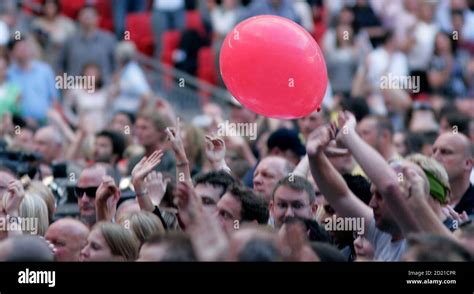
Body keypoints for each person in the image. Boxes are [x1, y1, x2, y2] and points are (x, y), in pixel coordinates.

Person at [58, 4, 116, 82]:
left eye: (91, 15)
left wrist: (113, 88)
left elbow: (116, 67)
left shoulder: (109, 40)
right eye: (84, 14)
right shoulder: (70, 41)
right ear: (79, 18)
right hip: (74, 89)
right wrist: (64, 88)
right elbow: (60, 66)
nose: (87, 17)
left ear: (98, 18)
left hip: (104, 90)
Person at [7, 37, 58, 124]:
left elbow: (54, 98)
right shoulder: (8, 74)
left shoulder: (45, 70)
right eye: (19, 48)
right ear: (12, 53)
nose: (23, 50)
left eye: (25, 46)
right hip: (20, 124)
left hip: (45, 122)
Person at [432, 133, 474, 217]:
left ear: (467, 163)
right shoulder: (425, 198)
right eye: (434, 151)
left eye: (445, 152)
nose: (435, 157)